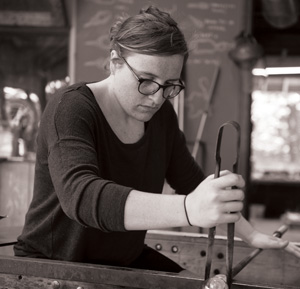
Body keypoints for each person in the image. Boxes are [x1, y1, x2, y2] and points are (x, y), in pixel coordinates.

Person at [14, 5, 300, 273]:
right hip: (55, 266)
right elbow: (83, 197)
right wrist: (189, 209)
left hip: (119, 262)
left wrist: (250, 234)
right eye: (146, 80)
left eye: (169, 85)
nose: (156, 97)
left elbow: (191, 181)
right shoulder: (71, 108)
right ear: (115, 62)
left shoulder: (161, 115)